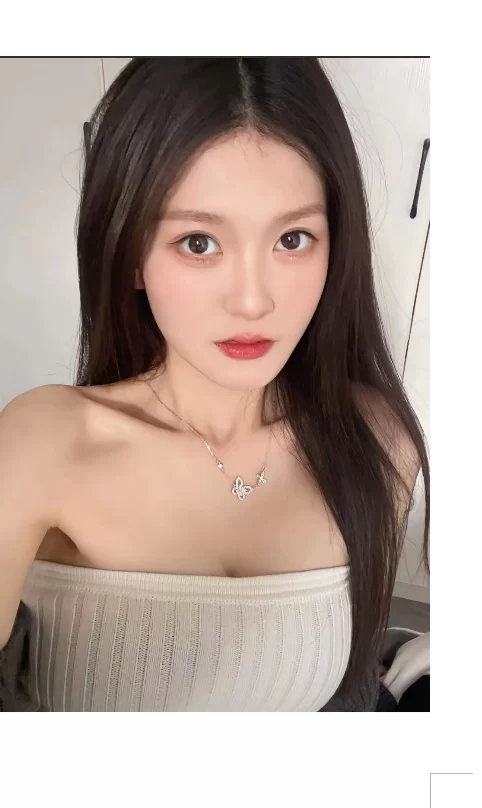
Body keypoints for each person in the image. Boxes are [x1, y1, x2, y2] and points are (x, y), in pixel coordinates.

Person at [0, 57, 429, 711]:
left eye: (293, 238)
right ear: (130, 253)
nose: (253, 301)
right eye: (199, 242)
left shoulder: (377, 440)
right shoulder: (45, 442)